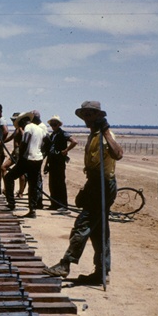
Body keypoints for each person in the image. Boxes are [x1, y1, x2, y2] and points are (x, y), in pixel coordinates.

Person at [43, 101, 123, 285]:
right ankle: (101, 271)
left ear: (98, 116)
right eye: (85, 115)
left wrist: (105, 132)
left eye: (90, 115)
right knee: (99, 230)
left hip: (103, 185)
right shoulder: (93, 134)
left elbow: (118, 154)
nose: (87, 118)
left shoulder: (105, 134)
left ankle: (65, 264)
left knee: (83, 223)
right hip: (94, 183)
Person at [3, 111, 45, 218]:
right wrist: (42, 153)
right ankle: (32, 210)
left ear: (22, 121)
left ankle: (11, 203)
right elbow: (48, 141)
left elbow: (24, 142)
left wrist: (21, 158)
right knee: (33, 185)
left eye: (20, 124)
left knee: (9, 177)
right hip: (38, 160)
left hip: (27, 159)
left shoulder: (28, 128)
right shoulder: (40, 129)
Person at [42, 115, 77, 210]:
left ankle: (63, 205)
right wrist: (46, 165)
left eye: (55, 124)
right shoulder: (52, 135)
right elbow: (49, 151)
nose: (53, 126)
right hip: (52, 161)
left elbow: (74, 141)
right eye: (52, 124)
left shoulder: (63, 134)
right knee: (52, 183)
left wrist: (66, 150)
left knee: (60, 183)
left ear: (58, 124)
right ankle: (54, 204)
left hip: (59, 161)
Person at [1, 112, 26, 197]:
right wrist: (2, 142)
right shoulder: (16, 129)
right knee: (3, 167)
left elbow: (25, 138)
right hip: (14, 153)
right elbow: (11, 137)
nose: (13, 121)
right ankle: (7, 188)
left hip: (19, 153)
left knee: (21, 173)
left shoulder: (21, 129)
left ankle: (21, 192)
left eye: (14, 120)